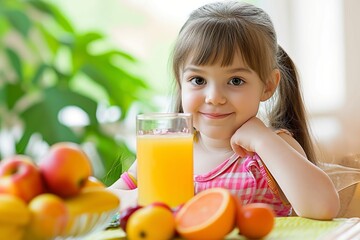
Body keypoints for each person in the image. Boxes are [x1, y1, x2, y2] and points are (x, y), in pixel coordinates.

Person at [109, 0, 340, 219]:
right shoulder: (164, 149)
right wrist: (138, 198)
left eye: (236, 81)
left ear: (268, 86)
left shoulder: (270, 149)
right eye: (198, 80)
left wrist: (262, 140)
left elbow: (323, 207)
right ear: (180, 82)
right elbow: (105, 200)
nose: (214, 98)